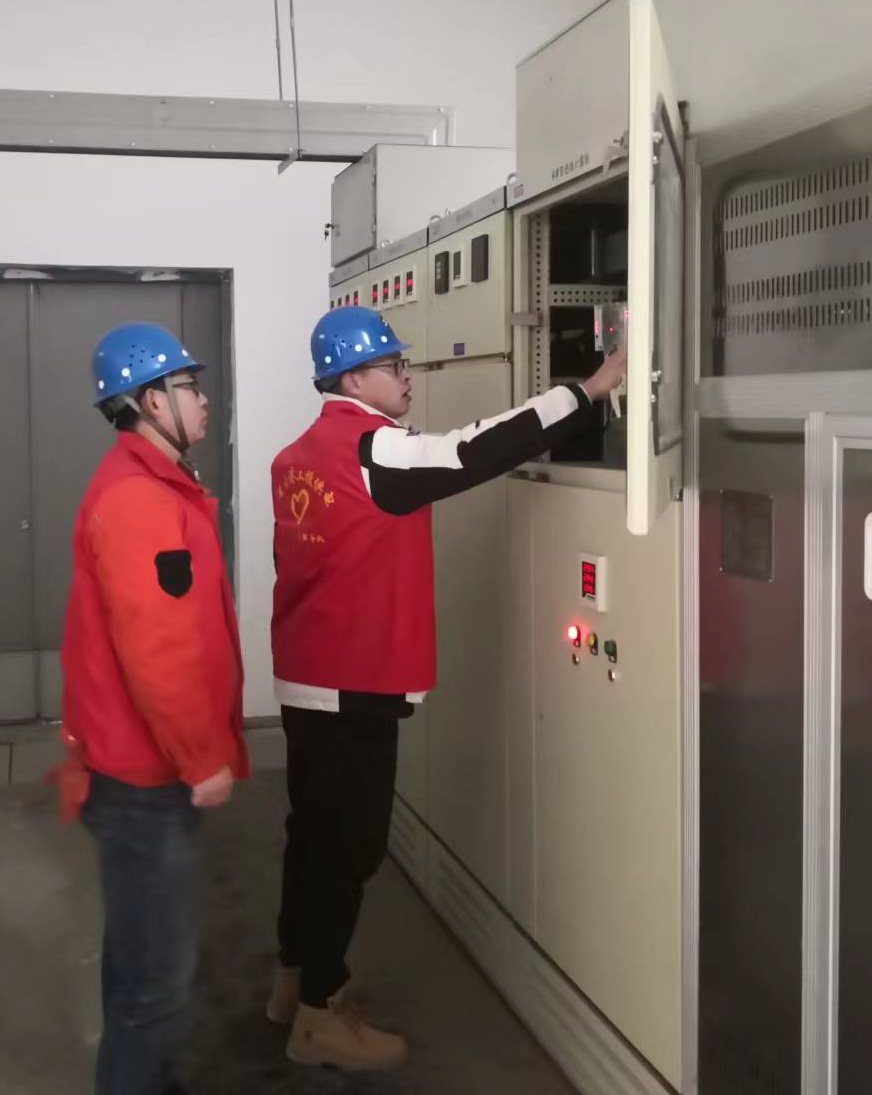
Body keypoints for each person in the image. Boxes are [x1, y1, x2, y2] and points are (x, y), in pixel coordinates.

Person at [266, 305, 627, 1071]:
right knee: (349, 851)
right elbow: (476, 449)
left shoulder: (296, 457)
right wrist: (589, 390)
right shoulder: (376, 450)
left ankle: (294, 985)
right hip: (354, 684)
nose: (408, 377)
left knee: (313, 836)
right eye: (394, 366)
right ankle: (319, 1016)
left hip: (306, 680)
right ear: (352, 379)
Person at [54, 323, 250, 1095]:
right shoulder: (139, 500)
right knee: (156, 983)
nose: (203, 400)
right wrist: (201, 759)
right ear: (149, 401)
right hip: (145, 779)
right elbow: (158, 652)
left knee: (142, 961)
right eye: (189, 387)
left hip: (139, 768)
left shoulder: (156, 486)